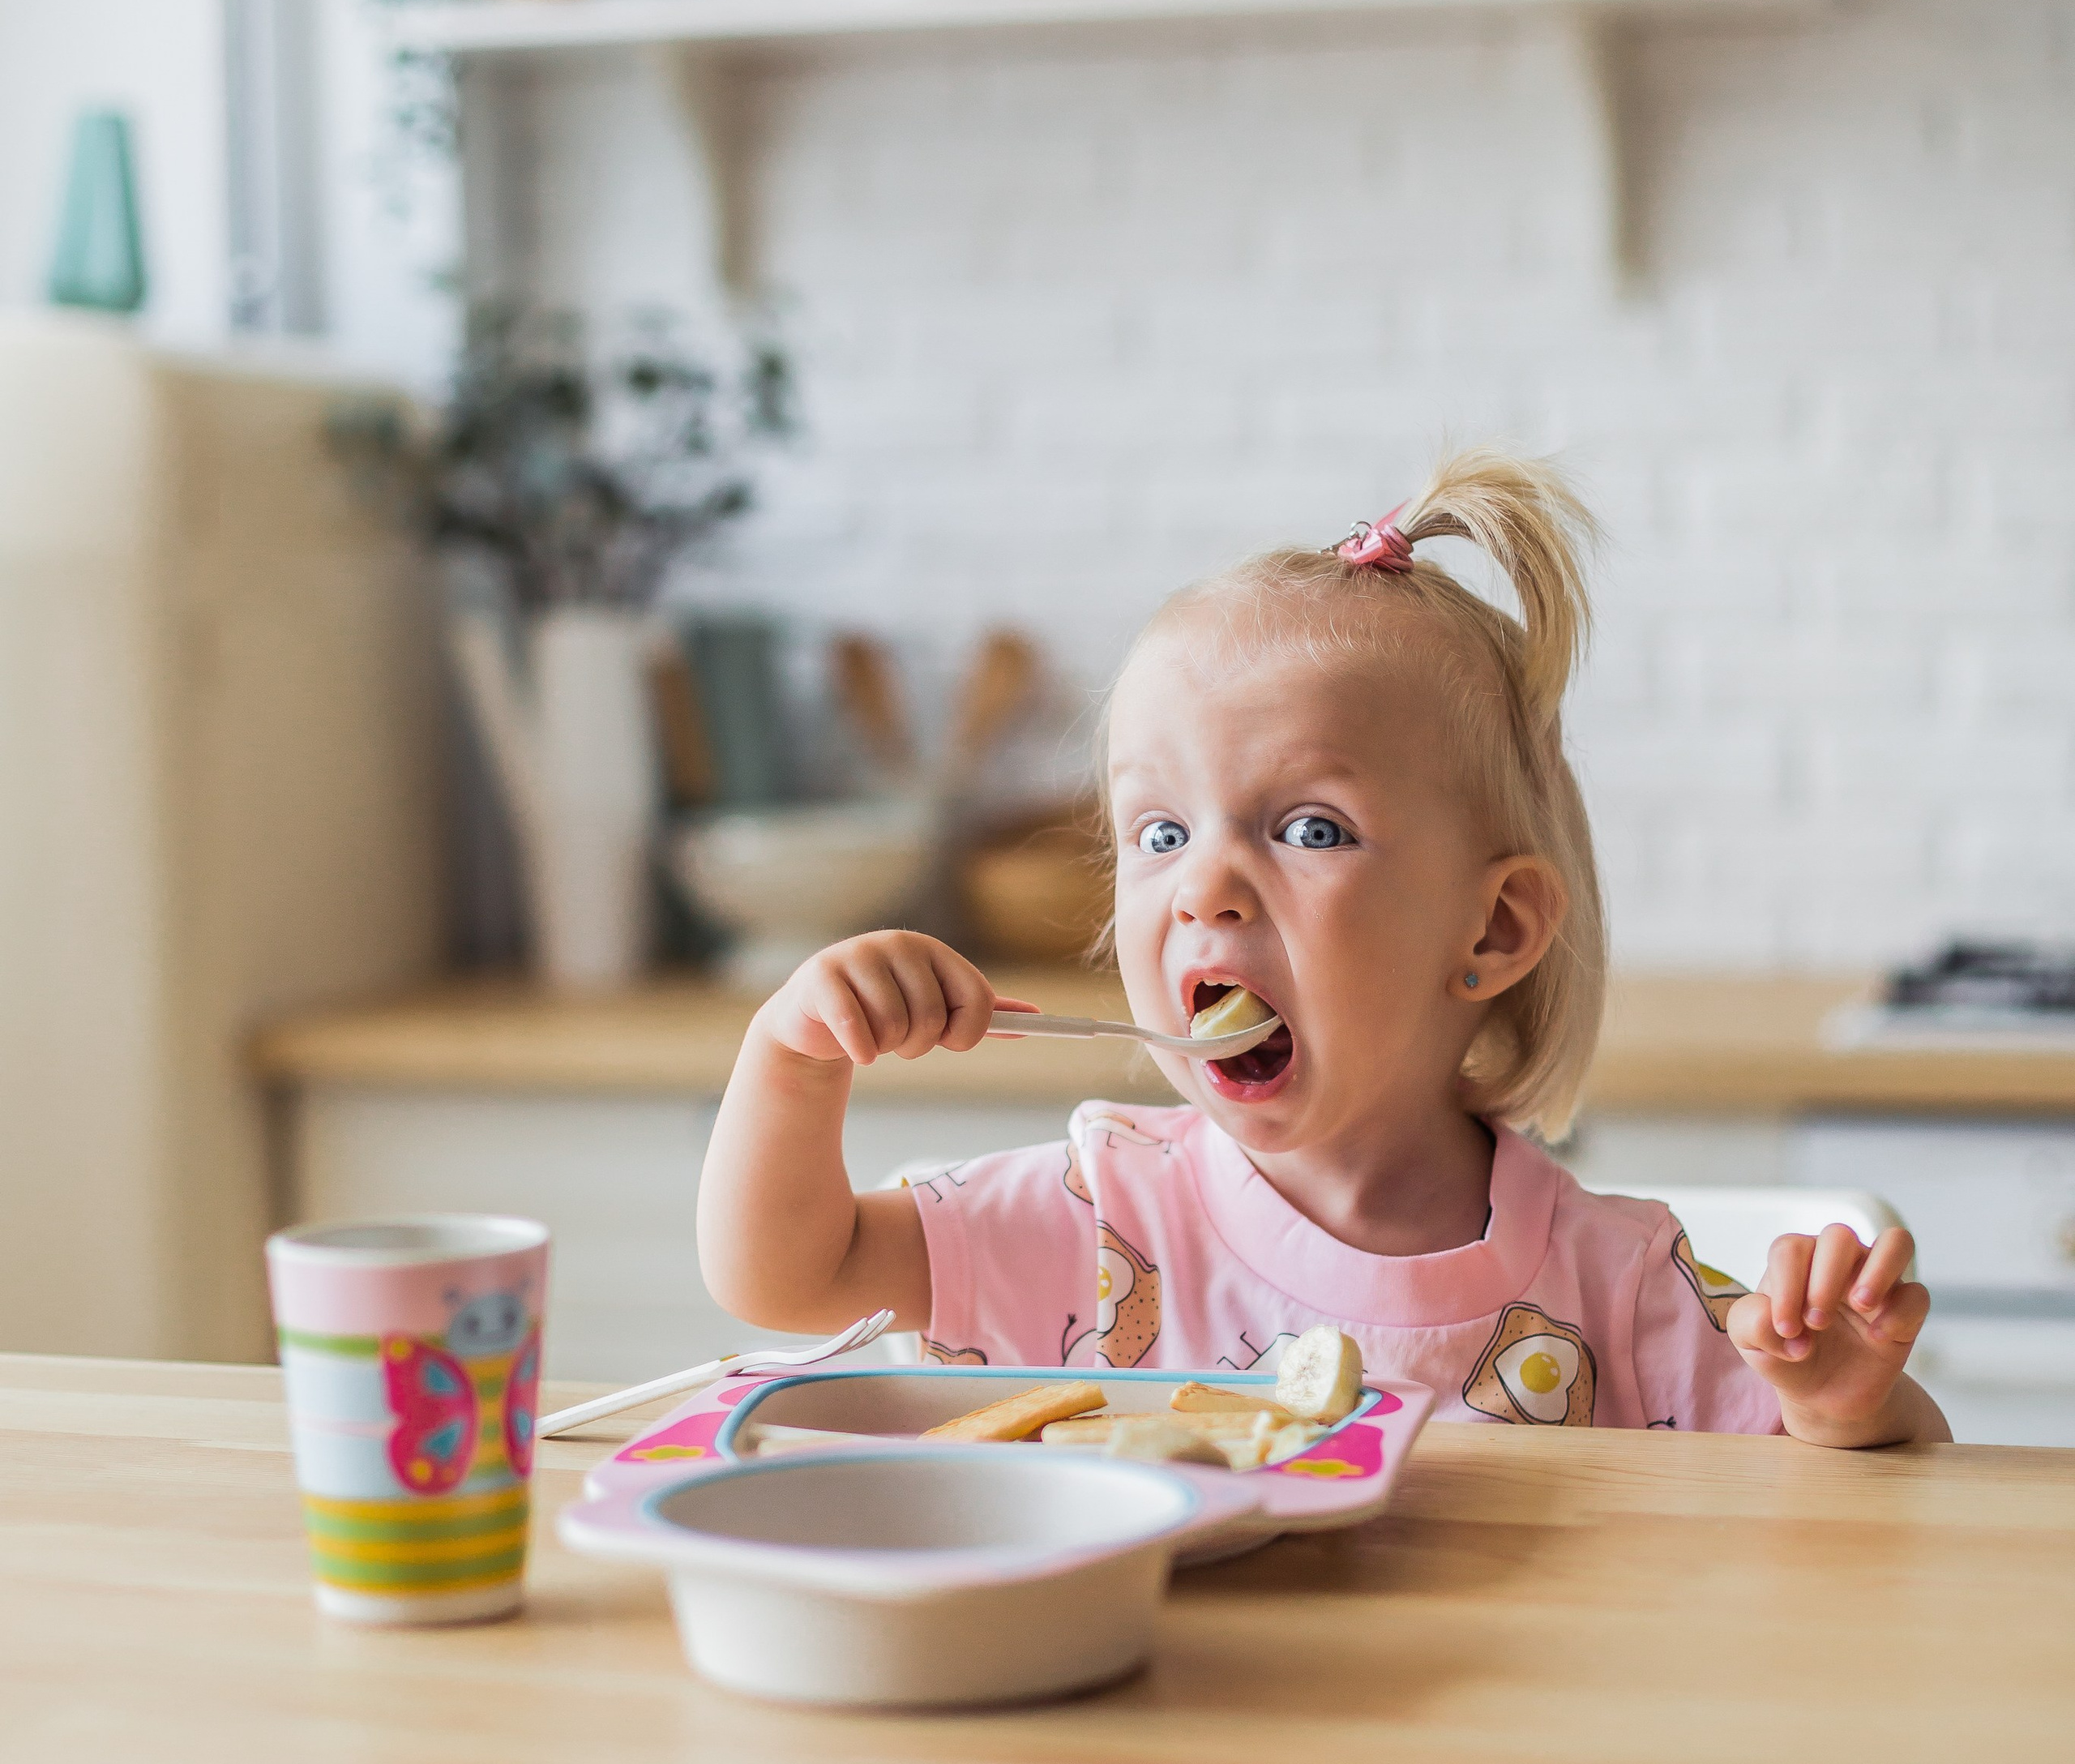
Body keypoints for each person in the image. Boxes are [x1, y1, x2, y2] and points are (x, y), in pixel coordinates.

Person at [698, 452, 1947, 1445]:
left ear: (1494, 928)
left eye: (1309, 828)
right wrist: (795, 1057)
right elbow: (787, 1275)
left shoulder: (1620, 1286)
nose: (1207, 885)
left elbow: (1872, 1509)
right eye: (1162, 829)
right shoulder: (1100, 1219)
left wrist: (1844, 1409)